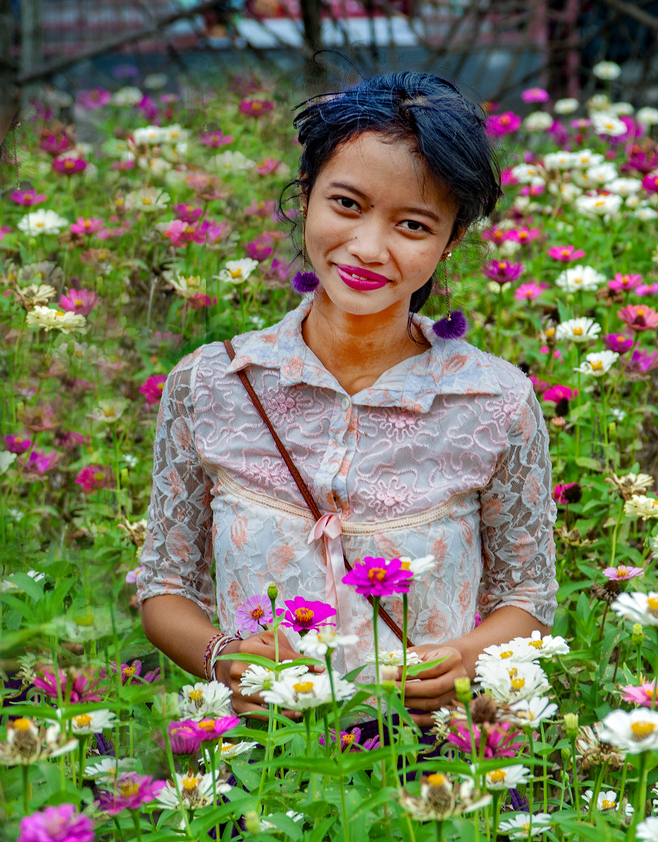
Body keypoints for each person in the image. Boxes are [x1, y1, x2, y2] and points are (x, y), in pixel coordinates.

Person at [138, 71, 557, 727]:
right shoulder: (213, 383)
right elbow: (162, 588)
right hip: (259, 762)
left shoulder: (494, 401)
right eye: (347, 204)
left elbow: (527, 596)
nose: (367, 247)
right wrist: (224, 657)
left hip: (427, 765)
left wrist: (466, 658)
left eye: (413, 225)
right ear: (305, 196)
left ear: (449, 243)